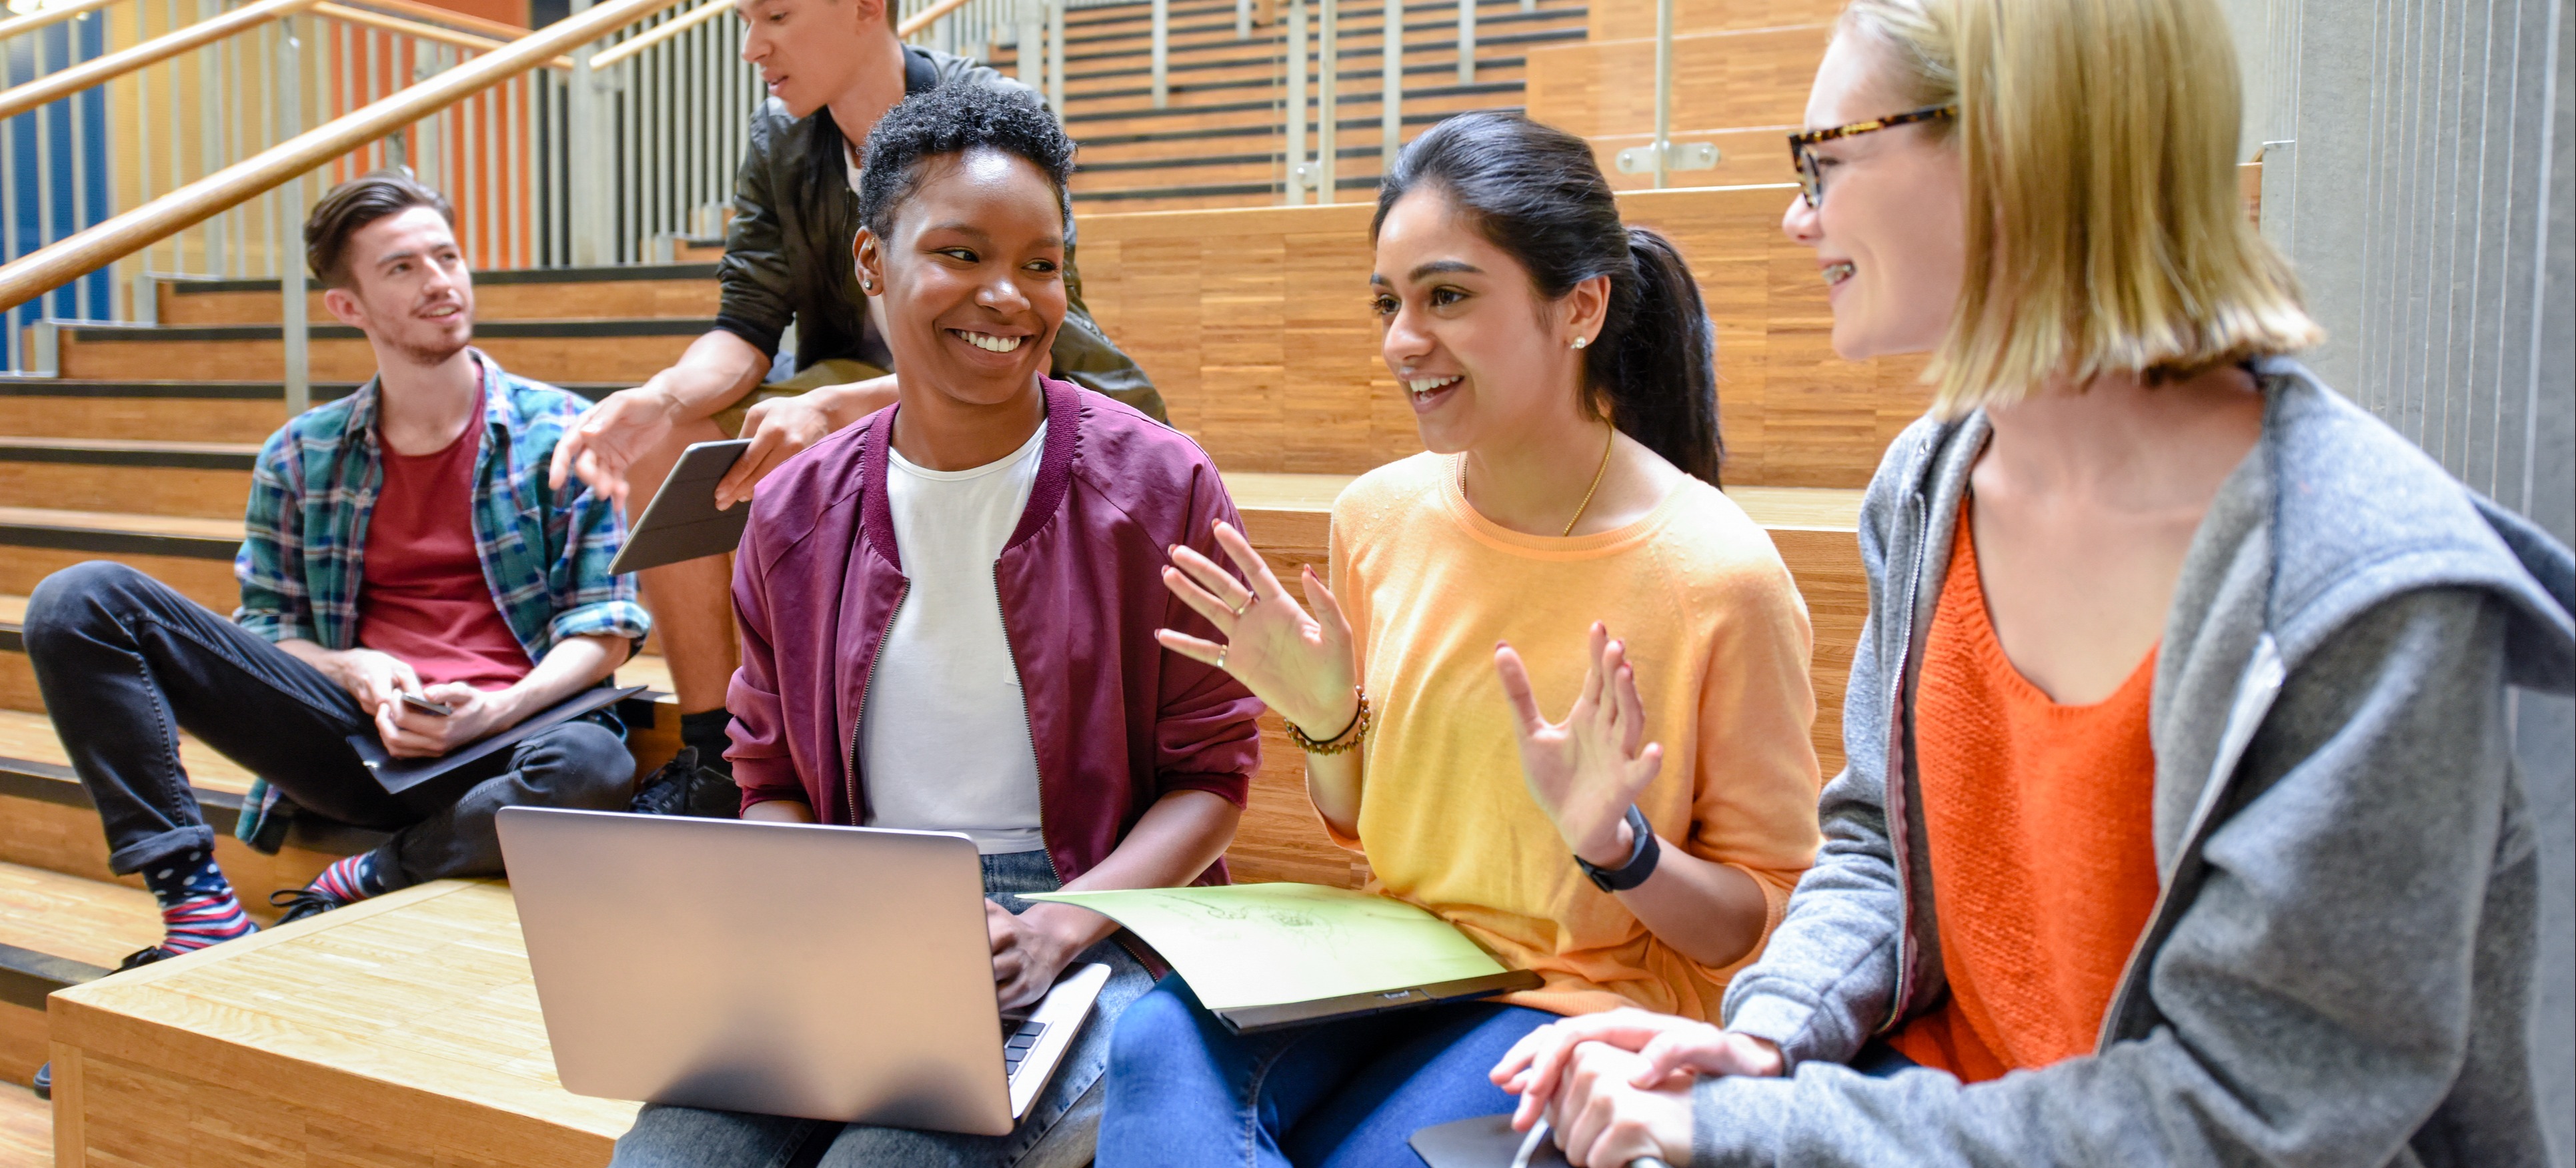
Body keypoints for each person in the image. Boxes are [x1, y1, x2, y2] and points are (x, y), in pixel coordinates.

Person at [1484, 0, 2576, 1164]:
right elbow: (1875, 849)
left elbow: (2238, 1118)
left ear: (2014, 151)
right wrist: (1763, 1040)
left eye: (1828, 157)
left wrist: (1768, 1126)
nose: (1796, 215)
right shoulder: (1926, 486)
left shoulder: (2364, 594)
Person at [1091, 111, 1825, 1168]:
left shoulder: (1719, 574)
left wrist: (1617, 847)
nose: (1401, 339)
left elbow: (1753, 925)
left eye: (1446, 297)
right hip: (1383, 960)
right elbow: (1356, 830)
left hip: (1568, 1001)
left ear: (1577, 306)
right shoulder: (1375, 518)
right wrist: (1328, 722)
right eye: (1389, 302)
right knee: (1155, 1039)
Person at [607, 83, 1260, 1168]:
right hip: (865, 911)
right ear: (871, 264)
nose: (1007, 296)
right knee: (672, 1157)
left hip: (1091, 920)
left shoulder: (1159, 484)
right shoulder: (794, 508)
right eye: (959, 255)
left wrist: (1062, 922)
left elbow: (1213, 779)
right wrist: (817, 909)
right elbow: (770, 781)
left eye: (1041, 264)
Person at [21, 171, 646, 967]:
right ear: (346, 306)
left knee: (594, 763)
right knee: (78, 599)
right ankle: (195, 899)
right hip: (353, 740)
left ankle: (369, 874)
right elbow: (270, 628)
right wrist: (351, 666)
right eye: (401, 268)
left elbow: (604, 627)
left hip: (513, 736)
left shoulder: (562, 431)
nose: (439, 282)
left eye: (447, 257)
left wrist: (492, 711)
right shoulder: (302, 451)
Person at [546, 0, 1162, 774]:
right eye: (745, 20)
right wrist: (665, 398)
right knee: (668, 436)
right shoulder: (780, 136)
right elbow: (746, 321)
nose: (751, 47)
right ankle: (708, 758)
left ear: (866, 8)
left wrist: (832, 407)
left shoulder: (989, 116)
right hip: (851, 372)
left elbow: (1024, 336)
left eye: (774, 15)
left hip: (1009, 373)